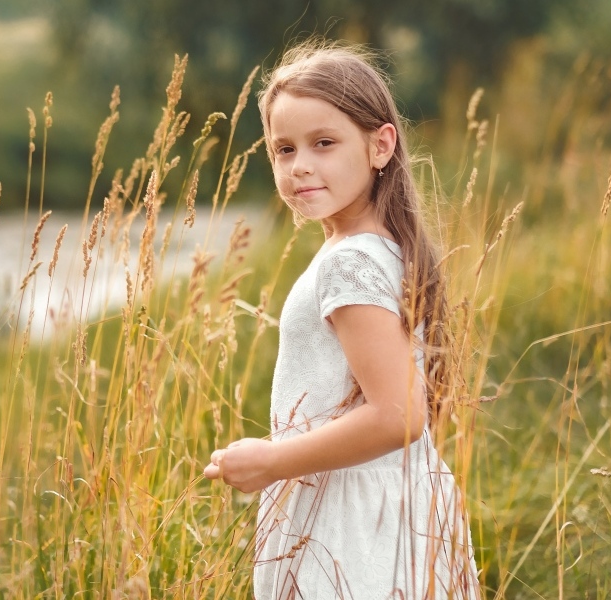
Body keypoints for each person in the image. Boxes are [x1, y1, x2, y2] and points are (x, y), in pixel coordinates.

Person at [203, 41, 481, 599]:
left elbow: (398, 415)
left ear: (381, 146)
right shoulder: (376, 247)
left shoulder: (352, 262)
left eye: (324, 143)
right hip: (386, 503)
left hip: (354, 523)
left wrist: (272, 461)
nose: (300, 164)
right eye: (283, 149)